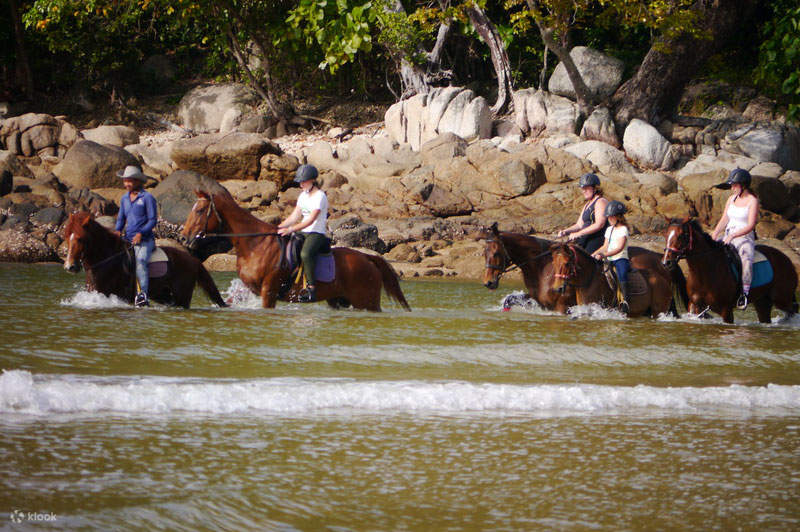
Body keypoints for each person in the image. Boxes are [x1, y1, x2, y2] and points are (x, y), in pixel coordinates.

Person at [277, 164, 329, 303]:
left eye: (303, 181)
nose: (301, 185)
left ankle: (311, 288)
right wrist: (278, 228)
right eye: (299, 182)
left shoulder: (320, 196)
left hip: (316, 233)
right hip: (303, 231)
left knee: (305, 254)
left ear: (312, 180)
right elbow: (294, 216)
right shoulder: (303, 195)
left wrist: (291, 229)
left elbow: (311, 220)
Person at [712, 168, 759, 310]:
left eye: (734, 185)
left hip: (744, 237)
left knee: (746, 260)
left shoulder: (752, 201)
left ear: (743, 185)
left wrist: (733, 235)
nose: (732, 188)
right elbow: (725, 218)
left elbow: (751, 225)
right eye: (731, 185)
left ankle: (744, 294)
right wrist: (715, 233)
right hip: (727, 236)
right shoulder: (731, 199)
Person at [114, 165, 157, 307]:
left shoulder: (147, 197)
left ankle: (142, 295)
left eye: (129, 181)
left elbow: (152, 220)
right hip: (127, 239)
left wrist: (141, 233)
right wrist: (118, 230)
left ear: (138, 181)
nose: (126, 184)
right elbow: (121, 218)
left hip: (145, 240)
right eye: (125, 181)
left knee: (141, 260)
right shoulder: (124, 199)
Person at [591, 200, 631, 313]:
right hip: (609, 258)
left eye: (611, 217)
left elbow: (619, 248)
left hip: (620, 258)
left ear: (618, 217)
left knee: (622, 273)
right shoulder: (609, 229)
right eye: (608, 217)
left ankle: (625, 301)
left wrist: (604, 254)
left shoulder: (623, 229)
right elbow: (605, 246)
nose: (609, 219)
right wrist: (594, 254)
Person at [557, 172, 609, 255]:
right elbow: (579, 225)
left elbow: (599, 224)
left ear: (595, 188)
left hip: (597, 238)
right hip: (585, 238)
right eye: (582, 188)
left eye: (586, 188)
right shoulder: (587, 205)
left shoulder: (600, 201)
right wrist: (566, 231)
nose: (584, 191)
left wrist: (579, 233)